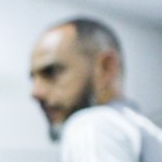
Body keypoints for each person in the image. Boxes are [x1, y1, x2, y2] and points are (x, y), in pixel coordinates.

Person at [30, 17, 162, 161]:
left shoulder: (91, 125)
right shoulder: (149, 133)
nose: (36, 92)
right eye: (33, 78)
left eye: (51, 72)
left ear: (106, 67)